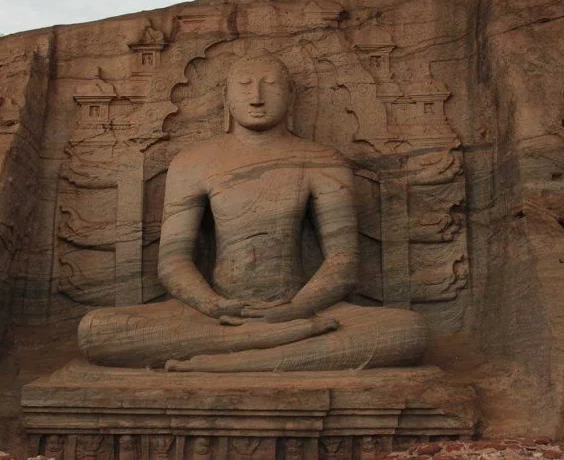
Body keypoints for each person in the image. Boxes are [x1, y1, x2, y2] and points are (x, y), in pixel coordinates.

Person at [77, 52, 427, 371]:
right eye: (244, 86)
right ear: (226, 99)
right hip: (216, 317)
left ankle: (223, 360)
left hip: (302, 309)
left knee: (407, 331)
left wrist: (297, 308)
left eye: (270, 85)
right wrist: (211, 304)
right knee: (97, 331)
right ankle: (258, 346)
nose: (256, 96)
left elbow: (343, 261)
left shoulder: (321, 160)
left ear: (291, 97)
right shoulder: (192, 162)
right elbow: (172, 263)